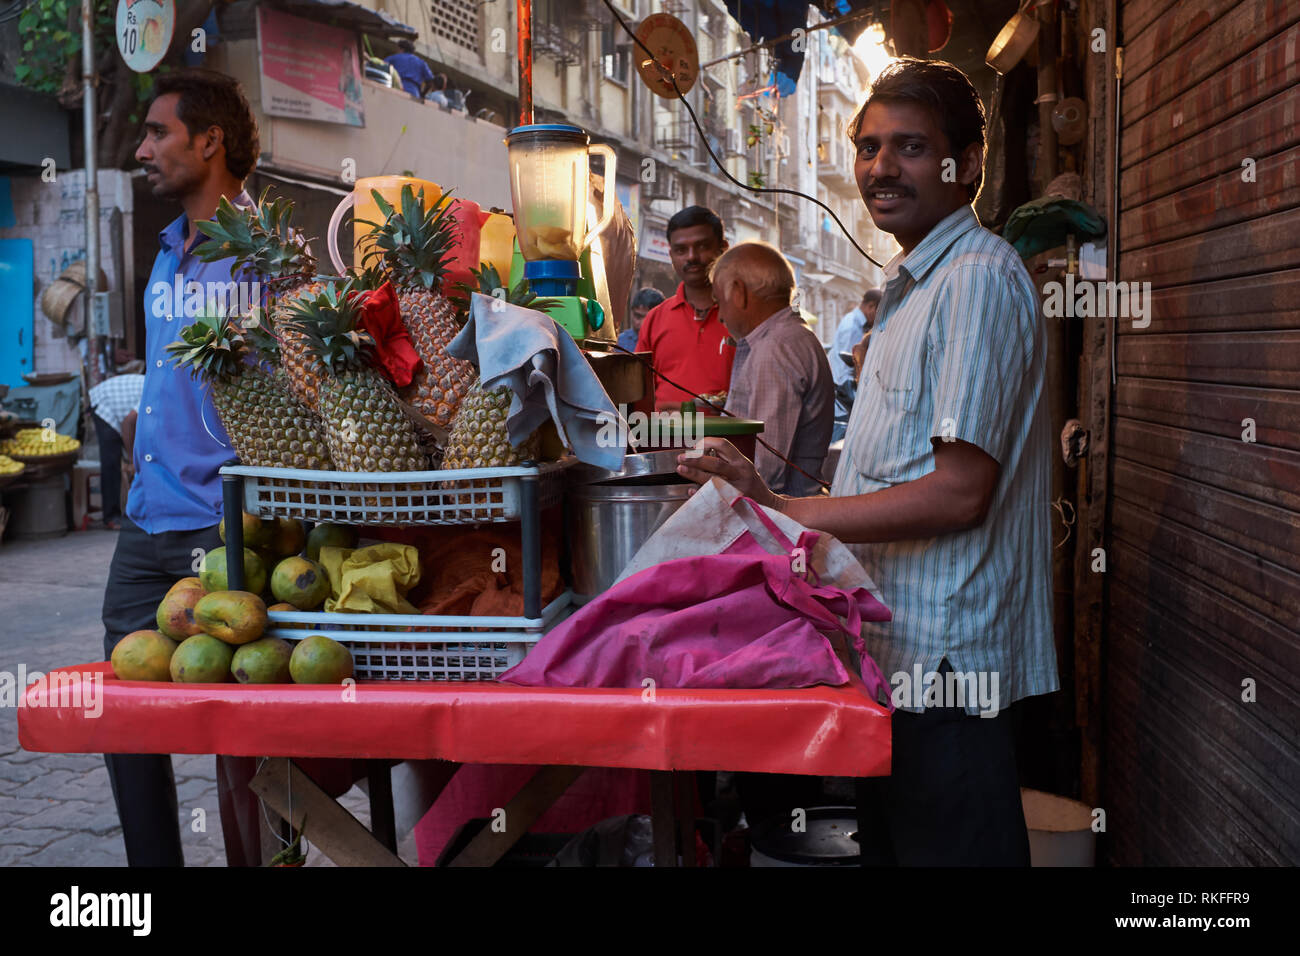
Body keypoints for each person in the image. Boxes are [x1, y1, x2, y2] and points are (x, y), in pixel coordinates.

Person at [677, 57, 1055, 866]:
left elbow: (959, 494)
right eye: (868, 145)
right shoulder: (917, 284)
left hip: (948, 663)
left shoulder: (977, 282)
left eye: (911, 147)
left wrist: (787, 509)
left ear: (969, 165)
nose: (881, 167)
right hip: (901, 653)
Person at [710, 242, 833, 496]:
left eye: (719, 301)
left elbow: (765, 471)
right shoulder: (786, 337)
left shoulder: (776, 348)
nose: (720, 315)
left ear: (738, 292)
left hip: (777, 516)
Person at [635, 206, 734, 410]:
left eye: (702, 246)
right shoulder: (655, 319)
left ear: (723, 248)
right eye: (681, 250)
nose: (691, 257)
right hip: (664, 439)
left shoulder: (742, 316)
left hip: (730, 439)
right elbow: (640, 392)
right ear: (671, 255)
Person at [88, 372, 144, 529]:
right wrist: (132, 460)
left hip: (117, 401)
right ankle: (111, 517)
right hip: (105, 404)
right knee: (111, 461)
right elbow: (128, 423)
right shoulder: (156, 393)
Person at [831, 289, 881, 417]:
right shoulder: (852, 326)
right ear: (871, 306)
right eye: (880, 312)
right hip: (843, 394)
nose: (880, 318)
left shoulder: (857, 322)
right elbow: (845, 368)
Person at [618, 287, 664, 353]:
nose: (642, 323)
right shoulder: (620, 343)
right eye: (637, 316)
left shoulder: (666, 341)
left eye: (648, 318)